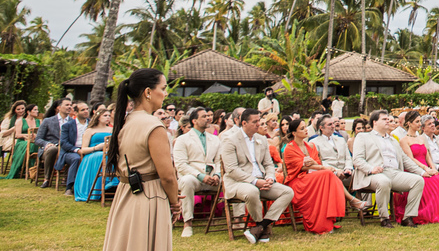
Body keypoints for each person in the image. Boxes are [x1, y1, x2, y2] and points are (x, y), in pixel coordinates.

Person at [101, 68, 180, 251]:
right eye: (163, 87)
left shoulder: (126, 121)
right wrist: (175, 203)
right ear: (148, 92)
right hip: (149, 196)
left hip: (126, 193)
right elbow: (167, 176)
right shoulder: (154, 126)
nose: (166, 93)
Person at [219, 108, 295, 244]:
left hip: (261, 180)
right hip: (237, 182)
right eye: (255, 122)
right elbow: (231, 170)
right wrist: (254, 181)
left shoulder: (261, 139)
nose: (258, 125)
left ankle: (261, 226)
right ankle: (260, 226)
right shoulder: (230, 140)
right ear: (243, 123)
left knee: (287, 192)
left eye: (259, 121)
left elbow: (268, 164)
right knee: (253, 191)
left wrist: (270, 177)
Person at [282, 117, 365, 234]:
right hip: (297, 182)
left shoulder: (310, 146)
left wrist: (317, 165)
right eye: (302, 128)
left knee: (328, 175)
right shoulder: (289, 148)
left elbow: (315, 163)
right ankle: (351, 199)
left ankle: (328, 220)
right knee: (328, 173)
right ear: (294, 133)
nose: (306, 130)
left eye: (305, 127)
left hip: (312, 178)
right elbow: (302, 167)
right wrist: (321, 167)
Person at [351, 109, 427, 228]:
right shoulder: (363, 137)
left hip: (394, 172)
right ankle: (384, 218)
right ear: (375, 122)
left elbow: (405, 159)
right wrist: (371, 169)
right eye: (384, 119)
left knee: (418, 181)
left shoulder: (392, 140)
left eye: (388, 119)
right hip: (372, 174)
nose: (388, 121)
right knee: (383, 181)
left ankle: (408, 217)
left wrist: (422, 172)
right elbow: (357, 159)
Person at [393, 112, 439, 225]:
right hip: (414, 170)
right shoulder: (404, 140)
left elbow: (427, 156)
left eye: (420, 121)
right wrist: (425, 169)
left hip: (427, 168)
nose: (419, 124)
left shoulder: (421, 138)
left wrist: (433, 168)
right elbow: (410, 159)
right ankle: (428, 213)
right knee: (434, 183)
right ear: (409, 123)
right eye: (417, 122)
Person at [173, 107, 220, 235]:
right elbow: (181, 165)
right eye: (204, 117)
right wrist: (200, 176)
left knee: (231, 180)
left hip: (212, 177)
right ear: (194, 121)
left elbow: (219, 161)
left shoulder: (215, 139)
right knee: (187, 181)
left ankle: (237, 219)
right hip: (192, 177)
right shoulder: (182, 140)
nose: (208, 118)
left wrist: (217, 174)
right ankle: (187, 224)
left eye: (208, 116)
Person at [75, 106, 116, 202]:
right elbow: (83, 149)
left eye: (109, 115)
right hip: (93, 154)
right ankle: (104, 186)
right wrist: (96, 148)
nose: (108, 117)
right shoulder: (90, 130)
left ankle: (113, 185)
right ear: (98, 117)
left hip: (109, 153)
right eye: (105, 115)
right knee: (101, 156)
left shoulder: (112, 130)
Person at [311, 116, 354, 194]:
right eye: (330, 124)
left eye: (333, 124)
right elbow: (319, 161)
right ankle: (351, 201)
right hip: (329, 173)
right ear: (321, 127)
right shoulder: (314, 142)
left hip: (346, 172)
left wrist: (348, 168)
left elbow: (348, 157)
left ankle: (360, 202)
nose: (333, 126)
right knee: (333, 177)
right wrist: (336, 171)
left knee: (361, 176)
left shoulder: (340, 139)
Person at [34, 98, 72, 187]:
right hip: (50, 149)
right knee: (53, 149)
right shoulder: (48, 121)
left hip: (66, 148)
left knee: (73, 151)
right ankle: (47, 179)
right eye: (67, 105)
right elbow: (38, 139)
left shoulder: (73, 122)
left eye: (70, 105)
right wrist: (47, 144)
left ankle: (66, 179)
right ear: (59, 107)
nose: (69, 107)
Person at [56, 102, 90, 196]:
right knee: (76, 158)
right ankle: (69, 187)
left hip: (88, 149)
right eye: (83, 110)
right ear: (75, 112)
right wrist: (77, 150)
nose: (86, 111)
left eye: (87, 109)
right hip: (71, 151)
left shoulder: (92, 124)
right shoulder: (68, 125)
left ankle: (89, 186)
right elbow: (64, 143)